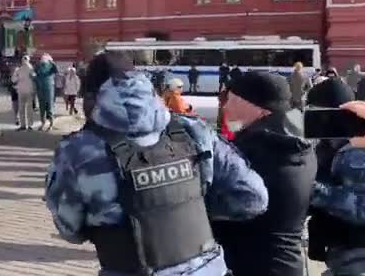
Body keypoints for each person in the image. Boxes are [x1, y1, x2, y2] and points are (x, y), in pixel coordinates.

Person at [45, 52, 268, 276]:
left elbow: (70, 229)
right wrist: (191, 211)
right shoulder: (194, 131)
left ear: (92, 97)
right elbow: (253, 197)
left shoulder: (76, 151)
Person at [216, 71, 317, 276]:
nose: (225, 107)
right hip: (289, 263)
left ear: (256, 106)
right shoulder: (302, 146)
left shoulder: (251, 150)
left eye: (232, 100)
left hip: (251, 265)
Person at [304, 79, 356, 267]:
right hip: (338, 249)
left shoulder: (356, 151)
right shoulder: (327, 145)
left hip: (355, 251)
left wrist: (310, 189)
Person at [35, 53, 58, 131]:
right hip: (41, 90)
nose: (43, 63)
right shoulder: (39, 68)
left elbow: (56, 70)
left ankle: (51, 124)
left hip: (49, 90)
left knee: (50, 107)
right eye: (42, 61)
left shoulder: (51, 69)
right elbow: (34, 75)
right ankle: (43, 123)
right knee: (42, 108)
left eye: (45, 62)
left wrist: (51, 62)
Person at [12, 55, 36, 131]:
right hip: (21, 91)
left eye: (26, 60)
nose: (24, 61)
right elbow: (13, 80)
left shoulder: (31, 69)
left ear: (28, 60)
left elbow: (35, 77)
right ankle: (23, 125)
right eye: (23, 60)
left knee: (29, 109)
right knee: (21, 109)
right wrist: (16, 75)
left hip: (29, 91)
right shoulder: (19, 70)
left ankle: (30, 125)